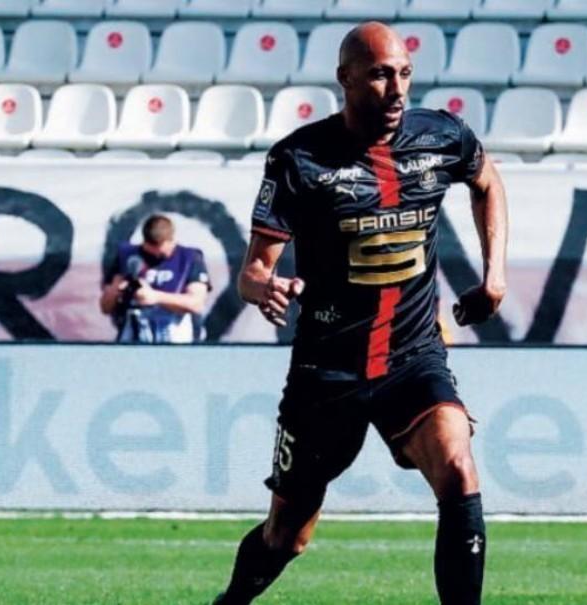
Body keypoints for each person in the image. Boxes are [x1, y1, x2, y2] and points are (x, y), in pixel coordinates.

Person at [214, 21, 509, 605]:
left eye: (404, 74)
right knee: (287, 536)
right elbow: (253, 269)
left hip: (414, 355)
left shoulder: (442, 136)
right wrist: (262, 287)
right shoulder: (298, 159)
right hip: (328, 371)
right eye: (379, 75)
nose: (396, 89)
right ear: (345, 78)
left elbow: (487, 180)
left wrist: (494, 274)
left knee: (458, 467)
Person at [99, 214, 212, 343]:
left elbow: (196, 303)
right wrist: (117, 290)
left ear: (172, 241)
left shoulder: (189, 258)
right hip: (135, 336)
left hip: (177, 337)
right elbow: (105, 307)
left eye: (162, 253)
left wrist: (155, 297)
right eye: (150, 253)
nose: (157, 256)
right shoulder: (128, 257)